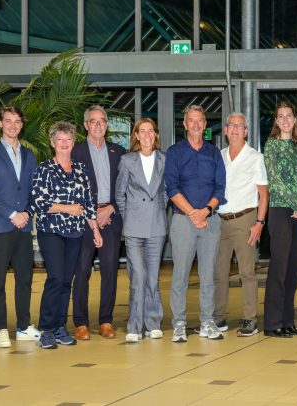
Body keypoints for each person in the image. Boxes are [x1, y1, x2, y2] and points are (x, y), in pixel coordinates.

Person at [29, 121, 104, 349]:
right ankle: (46, 329)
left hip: (75, 232)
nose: (64, 143)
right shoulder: (44, 169)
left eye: (68, 139)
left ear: (73, 142)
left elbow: (88, 203)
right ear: (53, 143)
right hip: (51, 231)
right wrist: (67, 208)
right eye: (59, 139)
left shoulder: (80, 169)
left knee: (67, 281)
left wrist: (95, 229)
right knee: (56, 278)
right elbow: (38, 202)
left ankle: (61, 326)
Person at [164, 104, 227, 342]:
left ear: (205, 124)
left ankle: (207, 322)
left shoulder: (214, 153)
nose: (196, 124)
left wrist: (206, 211)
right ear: (185, 124)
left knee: (208, 275)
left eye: (200, 120)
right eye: (192, 120)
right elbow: (172, 188)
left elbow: (220, 188)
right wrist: (193, 213)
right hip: (183, 221)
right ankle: (179, 323)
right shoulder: (174, 152)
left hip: (210, 222)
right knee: (180, 274)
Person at [0, 107, 39, 348]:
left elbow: (35, 190)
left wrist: (27, 213)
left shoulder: (29, 156)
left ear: (21, 125)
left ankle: (24, 326)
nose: (13, 125)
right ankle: (1, 329)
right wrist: (13, 213)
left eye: (17, 121)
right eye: (8, 121)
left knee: (25, 279)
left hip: (24, 227)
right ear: (0, 124)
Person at [71, 105, 125, 341]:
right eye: (93, 121)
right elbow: (70, 190)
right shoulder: (74, 152)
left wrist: (111, 207)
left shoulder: (119, 152)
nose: (98, 125)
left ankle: (106, 320)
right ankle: (81, 322)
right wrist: (92, 213)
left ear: (107, 125)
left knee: (110, 271)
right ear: (86, 125)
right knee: (82, 270)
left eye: (102, 121)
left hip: (111, 218)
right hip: (84, 220)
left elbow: (125, 188)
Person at [215, 112, 269, 337]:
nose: (236, 129)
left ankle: (249, 319)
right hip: (220, 221)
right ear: (226, 130)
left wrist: (259, 222)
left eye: (240, 126)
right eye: (232, 125)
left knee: (247, 272)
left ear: (246, 131)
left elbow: (264, 194)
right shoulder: (219, 155)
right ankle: (218, 318)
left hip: (245, 219)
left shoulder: (255, 157)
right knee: (219, 273)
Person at [114, 118, 167, 343]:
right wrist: (129, 218)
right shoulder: (127, 161)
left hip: (157, 226)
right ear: (135, 135)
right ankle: (134, 326)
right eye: (142, 131)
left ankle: (153, 322)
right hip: (134, 227)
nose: (146, 135)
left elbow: (166, 193)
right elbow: (120, 194)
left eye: (150, 131)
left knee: (153, 277)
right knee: (138, 277)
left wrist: (157, 210)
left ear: (155, 135)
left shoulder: (164, 160)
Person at [262, 102, 297, 338]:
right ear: (277, 122)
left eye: (289, 115)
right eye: (281, 116)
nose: (286, 120)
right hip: (281, 211)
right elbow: (276, 181)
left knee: (294, 269)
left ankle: (288, 321)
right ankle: (272, 323)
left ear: (295, 119)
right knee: (279, 269)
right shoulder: (271, 146)